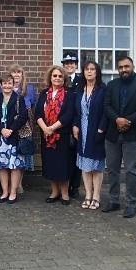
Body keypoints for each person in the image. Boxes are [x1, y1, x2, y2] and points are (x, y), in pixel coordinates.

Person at [102, 56, 136, 218]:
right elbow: (106, 105)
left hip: (134, 132)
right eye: (120, 67)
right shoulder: (112, 85)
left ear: (133, 66)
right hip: (113, 132)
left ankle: (131, 204)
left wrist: (129, 120)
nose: (124, 69)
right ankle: (114, 201)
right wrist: (117, 119)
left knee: (131, 170)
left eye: (127, 66)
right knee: (112, 169)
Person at [34, 65, 75, 205]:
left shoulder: (70, 94)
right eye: (54, 76)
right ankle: (54, 192)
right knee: (50, 164)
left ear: (64, 78)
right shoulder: (44, 93)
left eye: (60, 76)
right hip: (46, 135)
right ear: (50, 77)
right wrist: (46, 129)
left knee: (63, 165)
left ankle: (64, 194)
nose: (57, 78)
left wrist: (52, 128)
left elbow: (69, 114)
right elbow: (38, 113)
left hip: (62, 135)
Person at [71, 61, 107, 210]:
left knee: (96, 166)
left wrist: (101, 129)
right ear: (83, 72)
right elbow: (77, 110)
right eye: (87, 69)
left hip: (96, 130)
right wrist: (75, 125)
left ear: (97, 72)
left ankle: (96, 196)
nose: (89, 72)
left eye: (92, 69)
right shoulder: (80, 89)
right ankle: (87, 195)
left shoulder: (103, 89)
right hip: (83, 131)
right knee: (86, 166)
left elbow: (106, 111)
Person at [0, 74, 28, 204]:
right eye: (4, 83)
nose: (7, 86)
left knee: (15, 165)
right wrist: (1, 129)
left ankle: (13, 192)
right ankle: (5, 192)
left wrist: (11, 129)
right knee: (2, 166)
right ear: (1, 85)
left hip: (14, 136)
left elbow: (23, 117)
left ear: (13, 84)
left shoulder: (19, 99)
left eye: (9, 83)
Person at [8, 64, 37, 190]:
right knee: (10, 152)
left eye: (18, 72)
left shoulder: (29, 89)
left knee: (22, 152)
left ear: (22, 74)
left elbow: (33, 105)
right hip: (9, 124)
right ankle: (10, 183)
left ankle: (19, 183)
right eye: (14, 72)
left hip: (25, 125)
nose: (16, 74)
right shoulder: (4, 87)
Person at [61, 54, 82, 198]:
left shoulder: (81, 80)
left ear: (76, 65)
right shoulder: (60, 79)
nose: (69, 65)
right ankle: (64, 186)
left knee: (76, 157)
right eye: (67, 63)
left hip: (77, 123)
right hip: (61, 125)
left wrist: (77, 123)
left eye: (72, 63)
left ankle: (75, 187)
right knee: (64, 157)